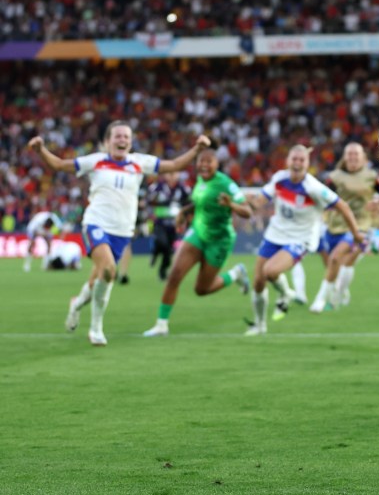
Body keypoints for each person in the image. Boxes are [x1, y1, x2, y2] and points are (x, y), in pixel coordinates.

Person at [27, 122, 211, 346]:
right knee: (108, 270)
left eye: (126, 136)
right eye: (117, 136)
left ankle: (76, 304)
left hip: (122, 232)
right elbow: (59, 165)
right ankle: (96, 329)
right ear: (107, 141)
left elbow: (173, 165)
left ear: (131, 142)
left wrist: (197, 149)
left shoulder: (139, 162)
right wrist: (40, 150)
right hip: (95, 224)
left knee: (99, 280)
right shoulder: (95, 161)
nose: (122, 140)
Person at [245, 144, 362, 336]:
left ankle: (286, 293)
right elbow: (259, 201)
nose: (297, 163)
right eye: (294, 159)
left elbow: (343, 206)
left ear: (307, 164)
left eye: (302, 160)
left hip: (300, 238)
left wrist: (356, 233)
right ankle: (260, 325)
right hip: (274, 234)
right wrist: (249, 201)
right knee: (258, 281)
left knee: (270, 271)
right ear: (288, 161)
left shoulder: (313, 187)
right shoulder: (279, 178)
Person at [143, 148, 254, 337]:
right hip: (197, 234)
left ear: (217, 164)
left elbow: (248, 212)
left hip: (219, 241)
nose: (203, 165)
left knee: (201, 289)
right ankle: (162, 325)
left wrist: (231, 205)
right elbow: (200, 203)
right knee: (174, 276)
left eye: (208, 161)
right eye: (201, 161)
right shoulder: (200, 181)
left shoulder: (226, 184)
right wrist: (183, 212)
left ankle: (236, 274)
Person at [309, 142, 379, 314]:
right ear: (344, 157)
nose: (353, 157)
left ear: (363, 158)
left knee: (337, 259)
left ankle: (321, 300)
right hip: (335, 226)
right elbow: (324, 199)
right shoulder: (334, 177)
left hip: (361, 227)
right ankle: (341, 291)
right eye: (349, 154)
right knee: (333, 264)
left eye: (356, 154)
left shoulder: (372, 176)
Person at [145, 172, 191, 281]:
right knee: (162, 242)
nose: (172, 176)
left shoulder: (183, 188)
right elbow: (149, 200)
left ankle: (163, 270)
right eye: (169, 174)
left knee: (169, 250)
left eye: (174, 174)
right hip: (159, 223)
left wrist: (185, 216)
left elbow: (190, 202)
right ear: (165, 175)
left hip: (175, 225)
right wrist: (151, 213)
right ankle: (155, 252)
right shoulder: (158, 187)